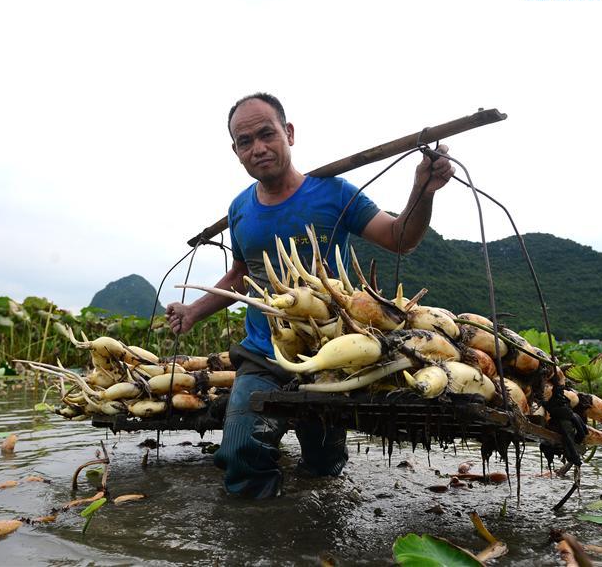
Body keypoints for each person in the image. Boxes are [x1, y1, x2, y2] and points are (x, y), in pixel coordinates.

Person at [165, 93, 454, 499]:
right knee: (241, 452)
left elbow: (400, 237)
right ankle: (259, 541)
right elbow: (242, 275)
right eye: (245, 142)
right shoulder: (240, 210)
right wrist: (194, 310)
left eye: (267, 134)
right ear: (236, 151)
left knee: (323, 465)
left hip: (328, 353)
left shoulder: (334, 194)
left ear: (289, 133)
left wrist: (423, 192)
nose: (258, 148)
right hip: (263, 352)